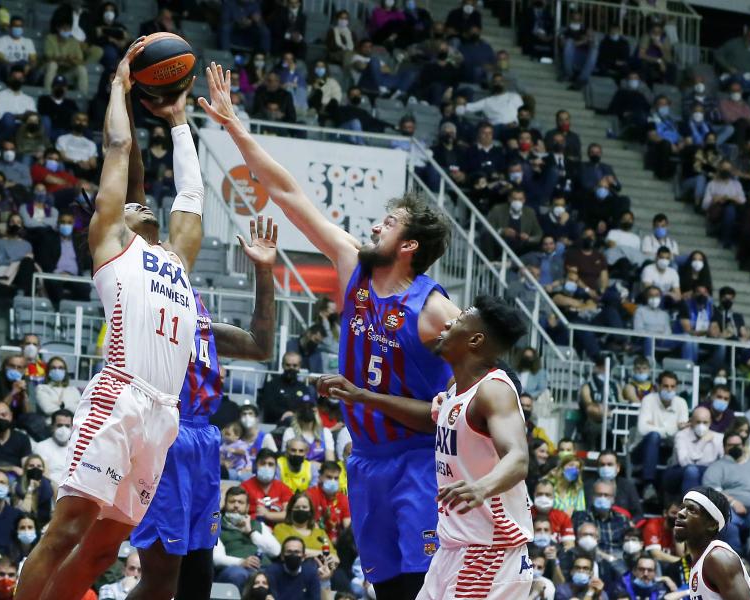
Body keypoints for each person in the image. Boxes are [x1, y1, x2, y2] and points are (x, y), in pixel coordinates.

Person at [200, 60, 461, 599]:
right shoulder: (352, 266)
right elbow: (288, 192)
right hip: (363, 459)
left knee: (421, 586)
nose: (372, 227)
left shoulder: (437, 311)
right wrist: (234, 125)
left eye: (387, 224)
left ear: (409, 246)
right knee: (383, 586)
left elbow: (485, 386)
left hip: (416, 460)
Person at [17, 44, 199, 600]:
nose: (143, 205)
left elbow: (191, 192)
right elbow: (118, 145)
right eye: (134, 205)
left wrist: (180, 122)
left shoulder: (177, 259)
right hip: (119, 397)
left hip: (163, 414)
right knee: (69, 526)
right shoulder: (111, 246)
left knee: (104, 546)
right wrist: (119, 88)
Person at [129, 88, 279, 599]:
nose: (159, 233)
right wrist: (133, 121)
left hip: (202, 440)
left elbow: (260, 345)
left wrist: (265, 273)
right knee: (159, 582)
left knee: (197, 576)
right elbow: (164, 198)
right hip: (164, 433)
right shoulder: (136, 282)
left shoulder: (191, 306)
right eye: (146, 229)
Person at [343, 295, 529, 599]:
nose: (446, 323)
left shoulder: (494, 391)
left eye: (458, 321)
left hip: (489, 551)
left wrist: (482, 487)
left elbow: (519, 458)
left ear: (475, 340)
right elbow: (431, 419)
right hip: (452, 547)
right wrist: (363, 396)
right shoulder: (456, 390)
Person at [673, 487, 750, 599]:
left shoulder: (718, 557)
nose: (680, 513)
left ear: (712, 524)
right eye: (682, 508)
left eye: (692, 510)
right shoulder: (699, 562)